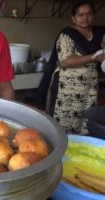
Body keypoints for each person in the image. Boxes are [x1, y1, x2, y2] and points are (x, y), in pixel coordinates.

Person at [36, 0, 105, 134]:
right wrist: (93, 57)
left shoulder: (100, 35)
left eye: (89, 14)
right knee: (62, 127)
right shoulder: (67, 34)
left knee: (85, 124)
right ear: (73, 18)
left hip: (89, 90)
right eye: (81, 15)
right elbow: (65, 61)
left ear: (93, 16)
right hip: (66, 91)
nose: (85, 18)